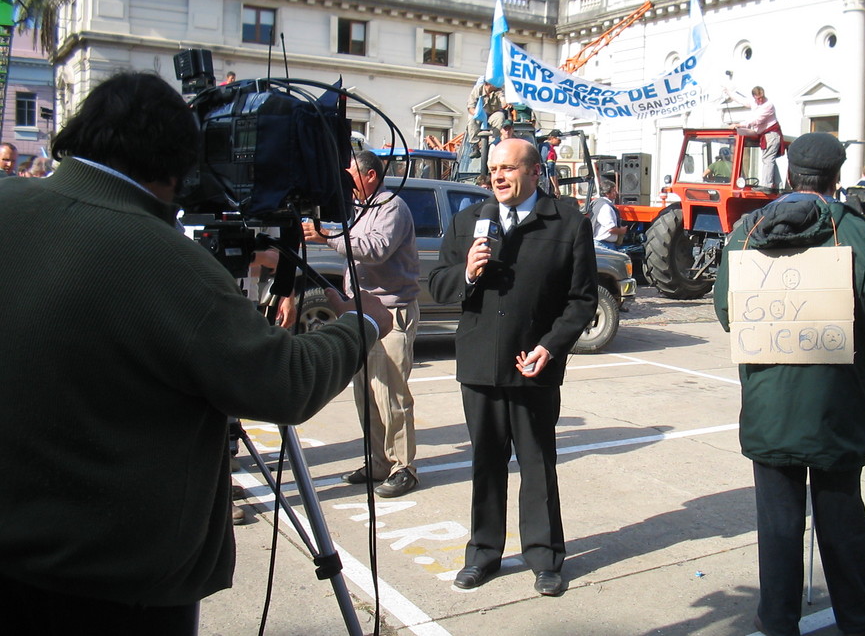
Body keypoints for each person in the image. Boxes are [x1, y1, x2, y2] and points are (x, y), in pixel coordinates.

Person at [0, 71, 392, 635]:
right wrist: (359, 325)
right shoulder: (160, 257)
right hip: (118, 585)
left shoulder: (11, 203)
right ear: (178, 162)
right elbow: (285, 382)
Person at [713, 132, 865, 636]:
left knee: (778, 524)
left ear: (788, 174)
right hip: (838, 407)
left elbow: (726, 313)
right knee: (842, 518)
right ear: (837, 177)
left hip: (769, 406)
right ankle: (858, 619)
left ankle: (778, 622)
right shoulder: (859, 235)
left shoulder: (745, 232)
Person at [428, 138, 598, 597]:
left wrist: (552, 347)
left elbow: (582, 300)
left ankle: (544, 557)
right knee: (486, 461)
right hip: (480, 365)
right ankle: (483, 554)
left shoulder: (567, 221)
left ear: (535, 172)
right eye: (493, 170)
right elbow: (440, 285)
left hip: (533, 366)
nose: (498, 177)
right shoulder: (469, 222)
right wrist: (467, 271)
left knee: (538, 463)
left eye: (507, 168)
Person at [302, 150, 421, 498]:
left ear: (371, 175)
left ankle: (404, 467)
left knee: (391, 394)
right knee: (365, 392)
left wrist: (326, 238)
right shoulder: (357, 209)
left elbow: (376, 248)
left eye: (352, 173)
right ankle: (378, 462)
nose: (346, 179)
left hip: (391, 311)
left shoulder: (392, 207)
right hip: (361, 312)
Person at [725, 85, 782, 190]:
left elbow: (756, 120)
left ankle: (767, 186)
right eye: (758, 98)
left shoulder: (768, 105)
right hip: (766, 135)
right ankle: (777, 184)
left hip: (771, 134)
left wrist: (738, 125)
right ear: (754, 97)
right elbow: (742, 101)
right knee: (769, 159)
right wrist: (729, 93)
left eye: (762, 97)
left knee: (768, 159)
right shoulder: (755, 103)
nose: (760, 100)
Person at [466, 77, 508, 141]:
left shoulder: (498, 90)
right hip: (479, 114)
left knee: (500, 116)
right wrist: (478, 115)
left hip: (492, 115)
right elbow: (470, 107)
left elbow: (503, 101)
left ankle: (493, 141)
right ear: (488, 84)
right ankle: (475, 144)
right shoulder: (477, 90)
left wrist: (504, 100)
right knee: (471, 118)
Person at [591, 178, 626, 250]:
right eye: (613, 190)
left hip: (601, 243)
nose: (616, 192)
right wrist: (622, 231)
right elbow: (611, 229)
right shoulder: (605, 207)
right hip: (604, 245)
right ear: (607, 193)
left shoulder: (596, 203)